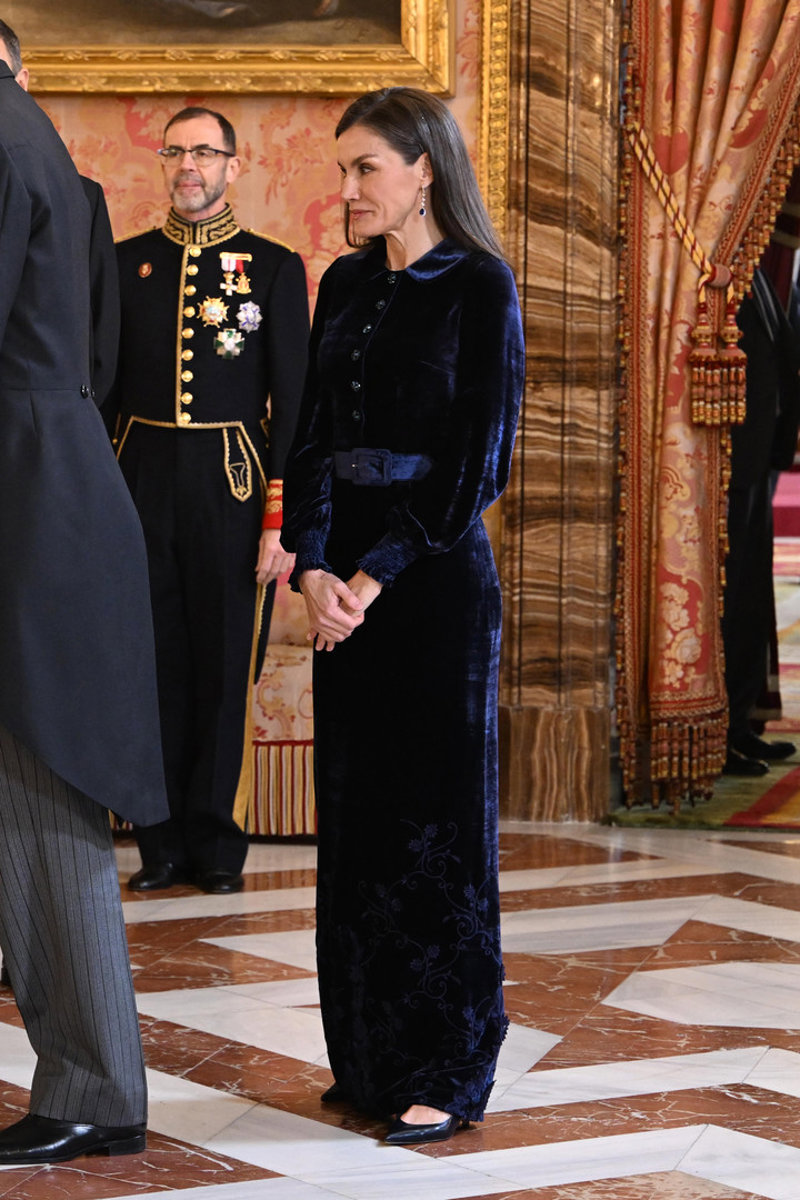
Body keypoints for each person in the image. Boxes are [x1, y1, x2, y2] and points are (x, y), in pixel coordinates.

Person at [282, 86, 525, 1145]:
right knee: (359, 832)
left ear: (424, 169)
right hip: (343, 593)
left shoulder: (480, 284)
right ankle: (372, 1059)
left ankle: (448, 1066)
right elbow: (308, 440)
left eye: (365, 168)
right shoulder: (341, 283)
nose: (347, 189)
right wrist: (311, 571)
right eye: (342, 170)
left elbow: (480, 461)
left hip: (431, 593)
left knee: (436, 834)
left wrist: (371, 578)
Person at [0, 17, 168, 1164]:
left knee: (43, 796)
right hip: (44, 482)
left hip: (31, 505)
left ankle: (97, 1090)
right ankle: (86, 1080)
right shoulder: (28, 131)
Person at [106, 106, 309, 895]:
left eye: (204, 152)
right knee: (149, 665)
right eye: (176, 151)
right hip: (138, 478)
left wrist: (279, 520)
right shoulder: (124, 264)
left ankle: (218, 846)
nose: (188, 165)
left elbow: (293, 404)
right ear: (162, 162)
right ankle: (157, 845)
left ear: (233, 164)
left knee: (225, 668)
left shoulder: (273, 267)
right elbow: (102, 390)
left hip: (233, 482)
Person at [722, 266, 800, 775]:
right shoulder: (714, 278)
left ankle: (741, 724)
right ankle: (720, 734)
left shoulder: (760, 279)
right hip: (730, 461)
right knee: (730, 599)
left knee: (750, 597)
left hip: (758, 459)